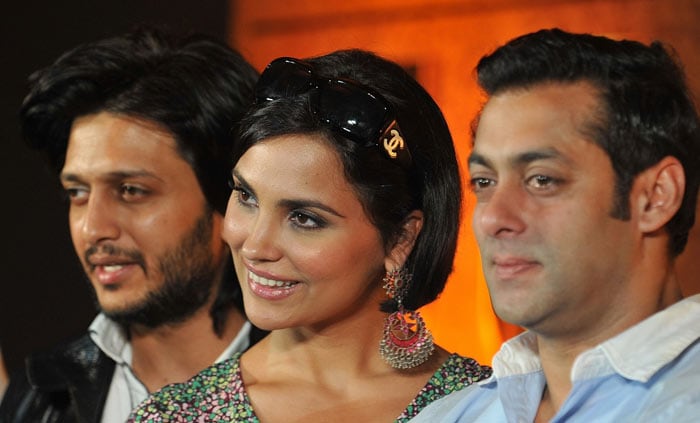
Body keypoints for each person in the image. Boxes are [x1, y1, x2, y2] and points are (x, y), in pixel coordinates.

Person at [128, 50, 492, 422]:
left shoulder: (494, 408)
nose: (254, 246)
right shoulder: (176, 415)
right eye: (246, 196)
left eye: (303, 218)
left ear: (401, 238)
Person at [412, 28, 700, 422]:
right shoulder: (449, 416)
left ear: (655, 197)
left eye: (542, 180)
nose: (494, 218)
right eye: (484, 182)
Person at [0, 28, 267, 422]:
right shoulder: (40, 395)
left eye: (130, 190)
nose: (93, 229)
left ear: (227, 201)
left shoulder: (327, 399)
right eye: (77, 192)